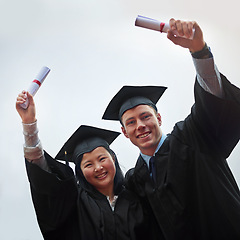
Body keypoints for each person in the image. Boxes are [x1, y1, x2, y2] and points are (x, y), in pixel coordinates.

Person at [102, 18, 240, 240]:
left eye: (146, 116)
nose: (141, 125)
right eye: (131, 122)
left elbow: (213, 100)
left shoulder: (193, 136)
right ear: (125, 132)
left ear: (158, 118)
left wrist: (199, 51)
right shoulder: (135, 181)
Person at [15, 92, 153, 240]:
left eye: (102, 158)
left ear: (113, 158)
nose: (98, 167)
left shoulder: (135, 198)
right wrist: (29, 125)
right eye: (88, 164)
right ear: (80, 171)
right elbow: (46, 182)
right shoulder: (75, 202)